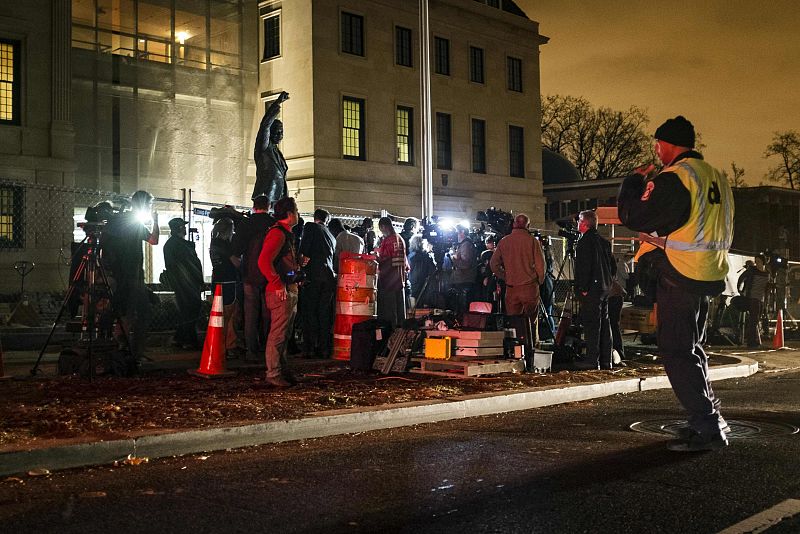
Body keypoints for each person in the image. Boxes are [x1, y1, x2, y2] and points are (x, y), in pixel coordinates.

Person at [618, 115, 734, 452]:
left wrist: (633, 185)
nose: (656, 151)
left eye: (657, 145)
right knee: (692, 348)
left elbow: (635, 217)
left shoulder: (677, 177)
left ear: (667, 144)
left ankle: (707, 424)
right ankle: (709, 415)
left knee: (676, 350)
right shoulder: (715, 176)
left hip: (682, 273)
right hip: (710, 272)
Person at [103, 190, 159, 364]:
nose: (150, 208)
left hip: (121, 273)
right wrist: (155, 220)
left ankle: (124, 346)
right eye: (149, 205)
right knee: (137, 312)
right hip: (132, 274)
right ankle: (130, 350)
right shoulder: (134, 223)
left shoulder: (121, 221)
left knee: (125, 311)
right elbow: (154, 240)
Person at [257, 196, 302, 387]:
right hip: (281, 292)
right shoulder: (278, 234)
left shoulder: (284, 234)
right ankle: (274, 373)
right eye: (297, 211)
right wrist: (277, 283)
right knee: (278, 335)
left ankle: (281, 371)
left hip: (287, 288)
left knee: (284, 334)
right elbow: (263, 261)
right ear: (290, 214)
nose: (298, 214)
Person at [230, 196, 275, 362]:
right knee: (268, 313)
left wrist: (242, 270)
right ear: (269, 206)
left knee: (250, 313)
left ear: (254, 206)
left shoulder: (245, 224)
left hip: (250, 274)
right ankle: (267, 348)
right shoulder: (273, 224)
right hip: (270, 275)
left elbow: (234, 253)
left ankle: (251, 350)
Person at [490, 214, 545, 346]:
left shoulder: (504, 241)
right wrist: (539, 281)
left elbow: (493, 264)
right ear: (528, 225)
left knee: (514, 322)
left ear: (514, 224)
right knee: (531, 320)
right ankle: (532, 348)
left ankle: (517, 349)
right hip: (529, 286)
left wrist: (505, 276)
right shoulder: (532, 241)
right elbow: (540, 266)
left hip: (511, 288)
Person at [574, 210, 616, 370]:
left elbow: (584, 267)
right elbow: (611, 267)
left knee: (592, 325)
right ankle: (607, 360)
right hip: (605, 288)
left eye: (579, 220)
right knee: (605, 324)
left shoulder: (585, 242)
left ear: (585, 223)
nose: (577, 223)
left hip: (592, 289)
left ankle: (592, 360)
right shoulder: (604, 242)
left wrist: (583, 288)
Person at [299, 209, 336, 358]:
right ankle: (324, 348)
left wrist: (300, 264)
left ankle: (309, 348)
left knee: (310, 312)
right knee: (324, 313)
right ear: (327, 220)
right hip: (328, 278)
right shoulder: (331, 236)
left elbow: (304, 252)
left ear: (315, 218)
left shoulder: (310, 227)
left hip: (313, 276)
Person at [163, 218, 204, 350]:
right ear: (180, 228)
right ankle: (188, 339)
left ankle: (181, 338)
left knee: (186, 310)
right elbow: (192, 264)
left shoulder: (170, 245)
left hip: (181, 283)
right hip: (188, 283)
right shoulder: (183, 246)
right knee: (191, 310)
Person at [209, 217, 245, 358]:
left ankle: (227, 345)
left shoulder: (214, 243)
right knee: (228, 315)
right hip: (228, 282)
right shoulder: (224, 244)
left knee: (223, 316)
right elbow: (236, 262)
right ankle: (225, 346)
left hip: (218, 281)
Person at [252, 91, 290, 202]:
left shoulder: (276, 152)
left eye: (281, 132)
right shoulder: (264, 147)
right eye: (277, 132)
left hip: (279, 201)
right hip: (265, 199)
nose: (280, 135)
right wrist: (277, 103)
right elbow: (265, 125)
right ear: (269, 133)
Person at [376, 216, 407, 326]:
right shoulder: (401, 239)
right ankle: (401, 334)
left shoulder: (387, 241)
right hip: (400, 280)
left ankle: (391, 337)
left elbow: (384, 259)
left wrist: (376, 256)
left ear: (383, 226)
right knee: (400, 311)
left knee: (390, 313)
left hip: (388, 281)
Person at [737, 255, 769, 348]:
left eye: (759, 261)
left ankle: (753, 340)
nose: (757, 263)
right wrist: (739, 289)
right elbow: (741, 278)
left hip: (761, 298)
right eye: (756, 261)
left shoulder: (767, 272)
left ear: (763, 262)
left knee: (756, 320)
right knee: (753, 320)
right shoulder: (752, 270)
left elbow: (767, 285)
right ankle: (751, 342)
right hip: (752, 297)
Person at [449, 225, 478, 315]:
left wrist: (453, 258)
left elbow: (465, 264)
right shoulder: (463, 245)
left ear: (462, 232)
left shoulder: (466, 245)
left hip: (464, 280)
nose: (456, 235)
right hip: (461, 280)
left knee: (463, 308)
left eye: (457, 232)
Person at [407, 235, 436, 308]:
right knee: (422, 303)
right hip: (424, 283)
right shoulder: (426, 256)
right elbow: (433, 269)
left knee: (412, 303)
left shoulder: (410, 256)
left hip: (412, 282)